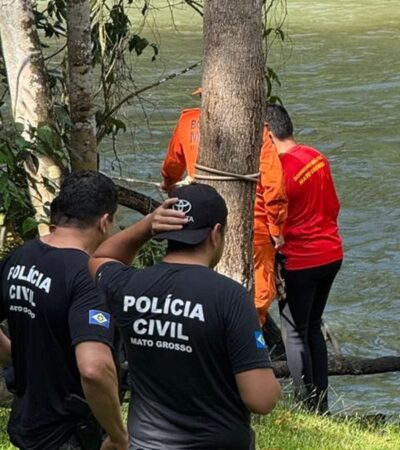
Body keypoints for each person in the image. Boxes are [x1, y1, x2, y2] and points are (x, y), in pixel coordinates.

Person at [88, 184, 282, 450]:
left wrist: (146, 225)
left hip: (144, 444)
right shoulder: (230, 297)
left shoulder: (129, 286)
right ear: (216, 234)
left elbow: (101, 257)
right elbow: (261, 399)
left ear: (165, 230)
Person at [0, 171, 128, 450]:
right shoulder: (87, 276)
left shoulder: (20, 257)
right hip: (69, 432)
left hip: (30, 421)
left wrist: (19, 355)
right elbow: (94, 369)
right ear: (105, 222)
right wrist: (118, 435)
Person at [160, 88, 288, 325]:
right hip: (252, 222)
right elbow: (274, 185)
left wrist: (169, 186)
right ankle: (248, 342)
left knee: (195, 283)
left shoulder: (188, 121)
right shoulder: (255, 129)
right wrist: (276, 229)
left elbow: (172, 165)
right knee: (258, 296)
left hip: (197, 219)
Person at [265, 104, 343, 413]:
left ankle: (306, 403)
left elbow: (271, 221)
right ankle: (322, 403)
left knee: (294, 332)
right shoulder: (316, 157)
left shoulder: (278, 170)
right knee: (312, 326)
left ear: (267, 135)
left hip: (300, 259)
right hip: (331, 253)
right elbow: (334, 206)